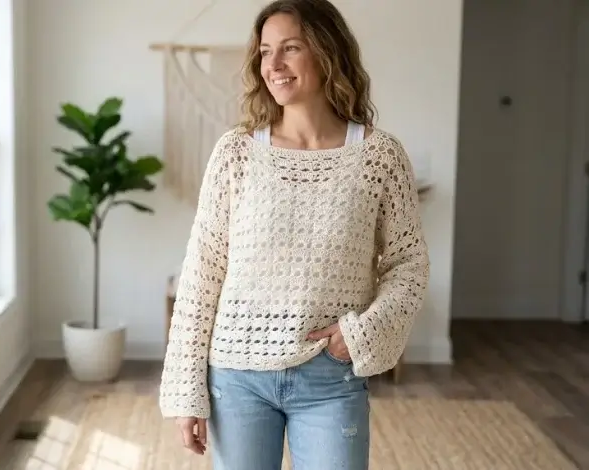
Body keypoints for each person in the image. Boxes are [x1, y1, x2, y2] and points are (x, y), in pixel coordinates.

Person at [158, 0, 430, 468]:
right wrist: (187, 390)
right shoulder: (235, 155)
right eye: (265, 52)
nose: (273, 65)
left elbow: (408, 265)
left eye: (290, 48)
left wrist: (361, 334)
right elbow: (203, 271)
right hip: (237, 376)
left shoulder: (379, 156)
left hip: (329, 378)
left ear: (326, 53)